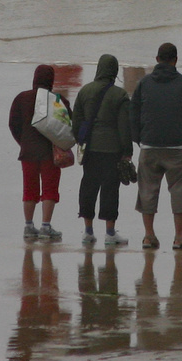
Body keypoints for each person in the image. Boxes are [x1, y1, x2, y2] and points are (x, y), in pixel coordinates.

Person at [129, 42, 182, 250]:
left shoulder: (144, 83)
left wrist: (138, 139)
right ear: (175, 60)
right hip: (180, 147)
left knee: (147, 190)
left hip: (149, 146)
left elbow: (133, 112)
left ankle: (148, 236)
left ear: (156, 60)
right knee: (179, 189)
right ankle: (179, 237)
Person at [73, 53, 133, 248]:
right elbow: (125, 126)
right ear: (114, 71)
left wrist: (80, 142)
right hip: (112, 149)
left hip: (89, 148)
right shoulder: (120, 94)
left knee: (88, 187)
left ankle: (88, 232)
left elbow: (76, 123)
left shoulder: (84, 91)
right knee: (109, 189)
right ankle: (109, 233)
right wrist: (127, 150)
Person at [8, 64, 67, 242]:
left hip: (28, 152)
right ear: (51, 80)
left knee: (29, 188)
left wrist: (22, 142)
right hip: (50, 152)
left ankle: (28, 226)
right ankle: (45, 227)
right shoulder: (57, 99)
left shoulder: (21, 98)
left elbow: (13, 124)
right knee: (49, 188)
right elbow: (67, 124)